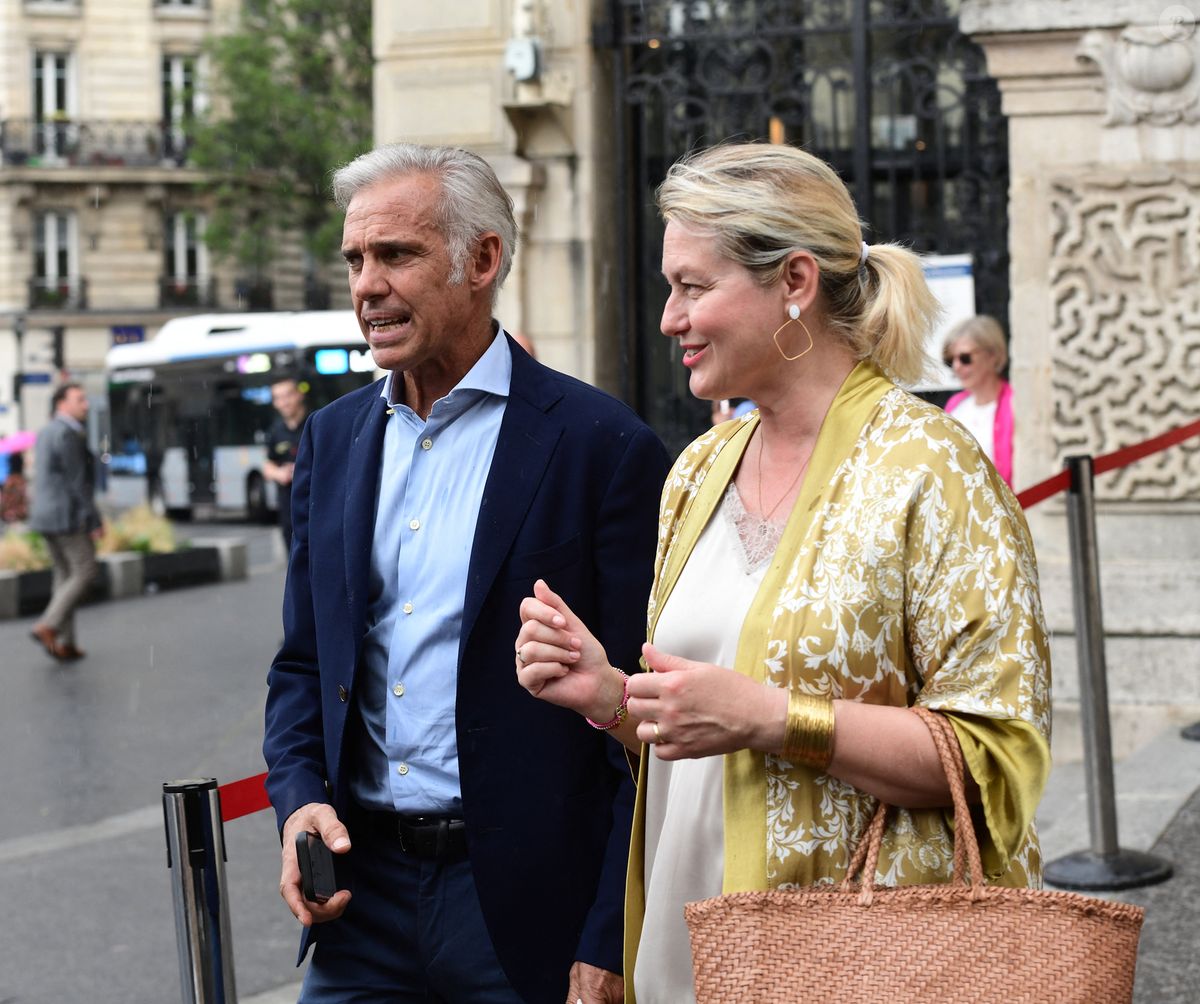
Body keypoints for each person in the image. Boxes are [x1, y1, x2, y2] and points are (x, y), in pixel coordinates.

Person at [515, 143, 1051, 1004]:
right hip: (686, 950)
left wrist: (775, 718)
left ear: (794, 281)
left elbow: (999, 757)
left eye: (693, 286)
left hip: (857, 967)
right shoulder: (698, 468)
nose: (668, 317)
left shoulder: (932, 469)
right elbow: (701, 739)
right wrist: (612, 697)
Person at [262, 143, 670, 1004]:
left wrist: (609, 934)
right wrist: (298, 799)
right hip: (356, 902)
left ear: (482, 260)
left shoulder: (602, 446)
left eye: (397, 255)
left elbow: (648, 725)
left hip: (523, 917)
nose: (366, 284)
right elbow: (303, 666)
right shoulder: (332, 442)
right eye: (355, 260)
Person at [27, 383, 102, 661]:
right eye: (79, 400)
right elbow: (77, 482)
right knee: (85, 571)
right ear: (62, 404)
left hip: (44, 515)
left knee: (63, 576)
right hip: (66, 516)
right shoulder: (68, 434)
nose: (86, 405)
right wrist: (94, 519)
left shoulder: (46, 431)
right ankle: (48, 624)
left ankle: (67, 643)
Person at [942, 314, 1013, 485]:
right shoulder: (955, 405)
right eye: (951, 360)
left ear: (993, 355)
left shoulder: (1014, 404)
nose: (957, 367)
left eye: (965, 358)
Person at [263, 376, 308, 550]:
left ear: (299, 394)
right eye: (278, 398)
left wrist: (303, 469)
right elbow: (268, 466)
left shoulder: (317, 423)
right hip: (288, 507)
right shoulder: (275, 431)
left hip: (316, 503)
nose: (284, 402)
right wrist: (280, 474)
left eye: (288, 395)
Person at [1, 451, 29, 524]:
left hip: (9, 478)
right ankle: (14, 513)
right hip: (13, 478)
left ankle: (10, 513)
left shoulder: (8, 454)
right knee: (15, 497)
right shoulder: (14, 456)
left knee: (9, 498)